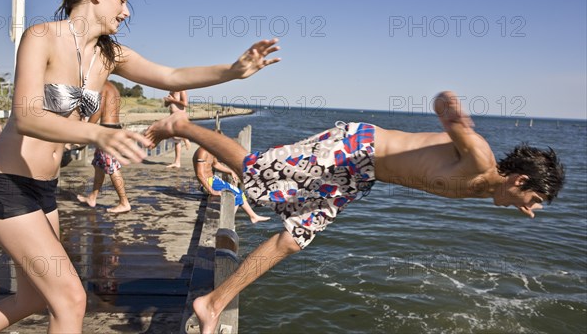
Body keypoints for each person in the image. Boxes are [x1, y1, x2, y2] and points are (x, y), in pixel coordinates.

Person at [0, 0, 280, 333]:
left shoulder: (109, 55)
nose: (126, 12)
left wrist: (232, 71)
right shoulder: (42, 36)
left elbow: (171, 75)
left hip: (43, 189)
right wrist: (99, 134)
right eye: (121, 0)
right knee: (70, 300)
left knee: (32, 298)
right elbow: (27, 117)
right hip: (5, 182)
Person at [144, 90, 565, 334]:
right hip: (355, 147)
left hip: (362, 176)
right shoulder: (479, 158)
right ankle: (180, 126)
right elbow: (442, 104)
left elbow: (499, 192)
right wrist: (451, 108)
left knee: (295, 238)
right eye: (533, 202)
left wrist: (518, 205)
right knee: (257, 172)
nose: (530, 211)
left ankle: (213, 303)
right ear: (521, 181)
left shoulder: (493, 188)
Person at [76, 80, 131, 213]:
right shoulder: (113, 86)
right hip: (113, 128)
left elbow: (98, 110)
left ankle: (124, 202)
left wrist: (86, 127)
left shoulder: (102, 86)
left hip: (108, 131)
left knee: (111, 166)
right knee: (99, 164)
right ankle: (92, 197)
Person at [193, 145, 270, 224]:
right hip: (207, 183)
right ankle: (227, 221)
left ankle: (251, 216)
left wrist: (230, 171)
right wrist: (212, 191)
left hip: (214, 180)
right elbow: (200, 175)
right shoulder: (202, 152)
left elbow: (216, 164)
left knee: (239, 193)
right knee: (235, 195)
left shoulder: (211, 150)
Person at [164, 90, 190, 168]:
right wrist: (167, 100)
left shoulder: (182, 90)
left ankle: (186, 139)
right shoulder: (171, 91)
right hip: (173, 116)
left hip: (179, 115)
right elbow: (166, 105)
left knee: (178, 134)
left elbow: (185, 103)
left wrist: (172, 100)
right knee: (176, 140)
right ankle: (177, 162)